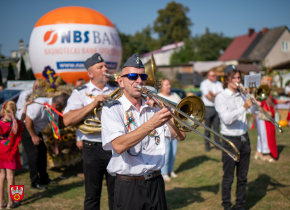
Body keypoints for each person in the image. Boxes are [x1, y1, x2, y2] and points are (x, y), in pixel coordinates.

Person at [101, 53, 186, 210]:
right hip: (128, 186)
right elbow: (118, 145)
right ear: (120, 81)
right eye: (133, 76)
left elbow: (180, 136)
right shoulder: (113, 109)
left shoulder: (154, 108)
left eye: (143, 76)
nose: (139, 81)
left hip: (156, 183)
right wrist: (151, 124)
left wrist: (168, 115)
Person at [63, 53, 116, 210]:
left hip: (115, 146)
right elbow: (67, 120)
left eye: (106, 66)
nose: (105, 69)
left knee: (117, 193)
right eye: (100, 67)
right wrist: (94, 103)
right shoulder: (80, 92)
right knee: (92, 195)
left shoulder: (116, 89)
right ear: (90, 74)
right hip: (92, 147)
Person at [215, 65, 259, 210]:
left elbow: (256, 110)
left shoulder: (242, 95)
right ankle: (227, 206)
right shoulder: (221, 97)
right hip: (230, 140)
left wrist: (250, 96)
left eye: (239, 77)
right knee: (228, 177)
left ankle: (240, 205)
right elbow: (227, 119)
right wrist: (243, 108)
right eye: (234, 78)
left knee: (243, 177)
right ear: (227, 79)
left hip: (244, 138)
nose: (237, 80)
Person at [22, 93, 69, 190]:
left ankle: (44, 178)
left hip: (36, 131)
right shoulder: (39, 104)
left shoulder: (54, 108)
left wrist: (56, 145)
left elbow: (54, 127)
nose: (62, 110)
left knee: (43, 152)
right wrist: (33, 136)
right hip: (27, 129)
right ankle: (34, 182)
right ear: (57, 105)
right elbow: (28, 119)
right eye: (63, 108)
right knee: (34, 154)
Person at [255, 76, 289, 162]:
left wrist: (283, 102)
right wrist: (266, 111)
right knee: (265, 134)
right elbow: (257, 104)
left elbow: (273, 101)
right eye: (270, 82)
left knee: (262, 135)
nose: (271, 84)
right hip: (263, 117)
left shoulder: (268, 92)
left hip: (268, 116)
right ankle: (266, 154)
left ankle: (258, 152)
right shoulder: (261, 91)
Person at [0, 101, 23, 209]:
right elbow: (22, 120)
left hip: (0, 152)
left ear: (3, 110)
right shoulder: (17, 123)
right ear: (14, 111)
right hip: (11, 153)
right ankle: (11, 202)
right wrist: (26, 106)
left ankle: (1, 202)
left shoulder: (0, 122)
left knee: (1, 176)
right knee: (10, 177)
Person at [158, 79, 182, 182]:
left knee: (173, 151)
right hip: (164, 128)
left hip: (175, 126)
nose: (169, 86)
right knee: (166, 151)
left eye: (169, 84)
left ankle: (171, 170)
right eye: (167, 84)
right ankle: (164, 172)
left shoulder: (175, 95)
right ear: (161, 87)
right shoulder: (158, 97)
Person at [15, 79, 39, 170]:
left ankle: (30, 162)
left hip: (31, 120)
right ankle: (25, 163)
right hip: (23, 121)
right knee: (25, 143)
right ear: (36, 86)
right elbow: (20, 110)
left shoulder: (36, 95)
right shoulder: (25, 94)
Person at [200, 70, 223, 151]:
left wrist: (213, 93)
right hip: (208, 107)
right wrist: (216, 95)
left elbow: (222, 94)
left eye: (215, 75)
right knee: (207, 128)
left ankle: (217, 144)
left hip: (216, 107)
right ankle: (207, 145)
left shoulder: (219, 83)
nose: (215, 77)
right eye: (213, 75)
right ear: (208, 76)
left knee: (216, 128)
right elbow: (208, 96)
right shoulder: (204, 83)